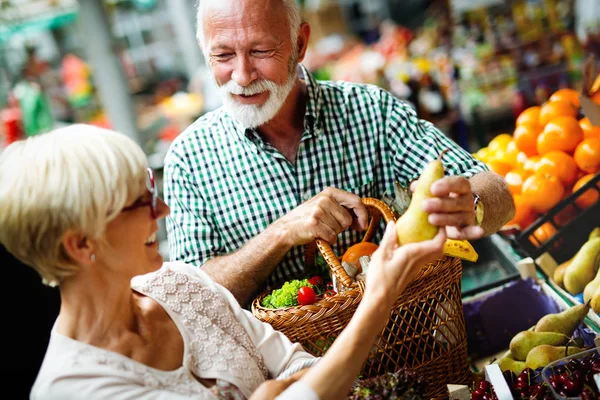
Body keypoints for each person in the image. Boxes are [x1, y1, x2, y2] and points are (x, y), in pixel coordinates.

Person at [0, 124, 446, 399]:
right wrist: (380, 294)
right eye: (141, 202)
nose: (163, 211)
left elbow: (303, 368)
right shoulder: (72, 389)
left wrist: (278, 391)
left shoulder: (182, 285)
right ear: (81, 245)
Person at [164, 0, 515, 306]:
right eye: (223, 55)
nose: (241, 76)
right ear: (203, 49)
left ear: (300, 44)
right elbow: (195, 301)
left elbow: (499, 195)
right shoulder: (189, 160)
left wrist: (472, 204)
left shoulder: (371, 111)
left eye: (260, 51)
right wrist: (280, 234)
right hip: (290, 381)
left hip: (415, 348)